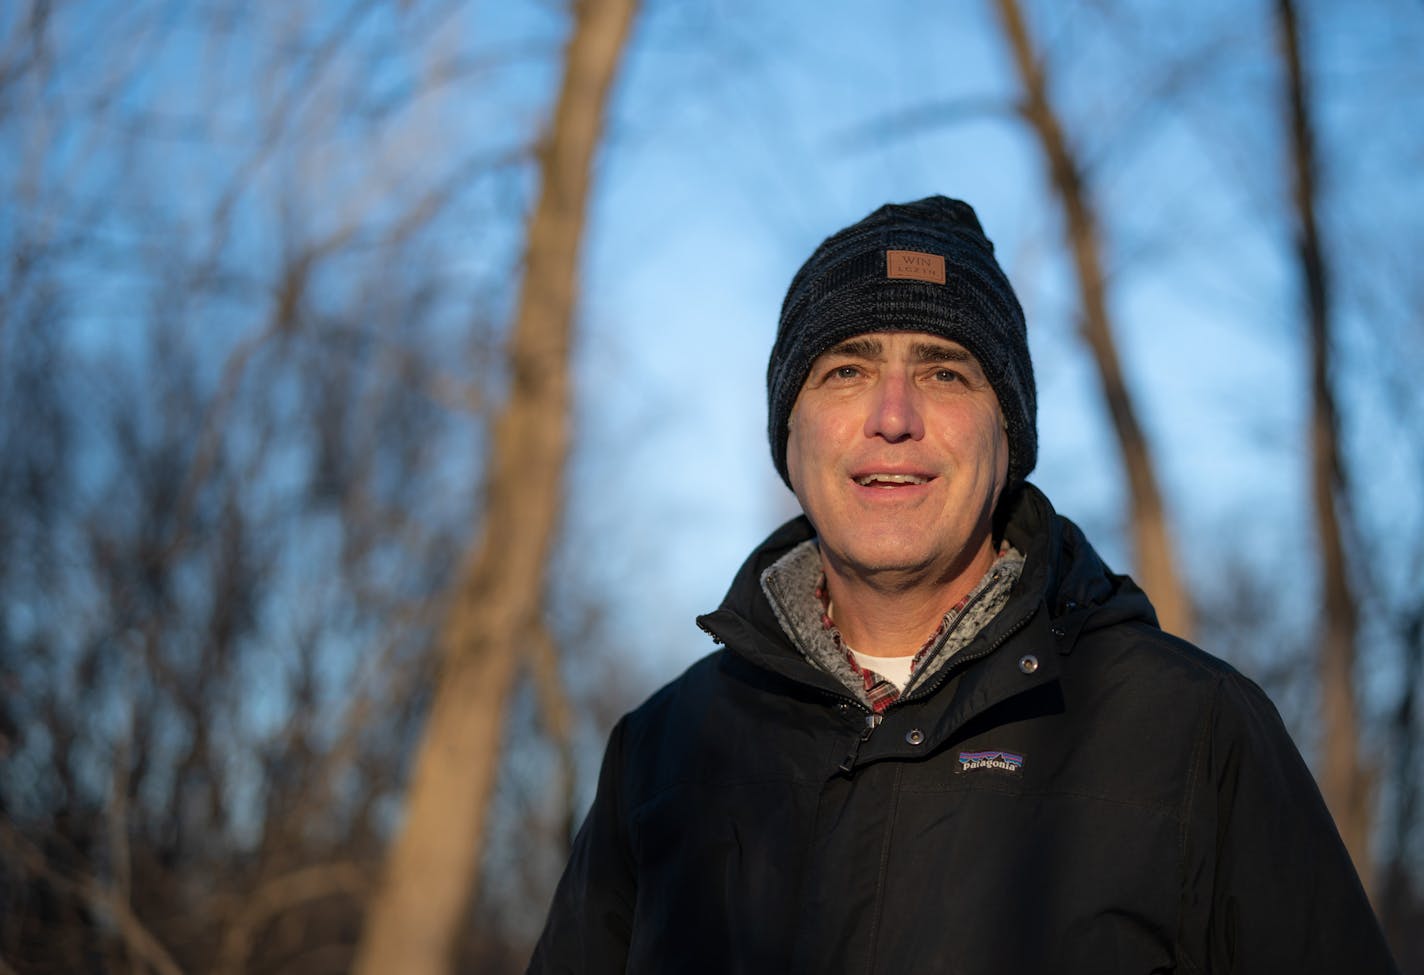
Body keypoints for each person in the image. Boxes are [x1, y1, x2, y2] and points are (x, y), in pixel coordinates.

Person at [527, 196, 1399, 973]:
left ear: (1007, 435)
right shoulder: (663, 752)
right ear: (790, 435)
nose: (893, 416)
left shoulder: (1196, 733)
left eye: (944, 370)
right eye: (847, 369)